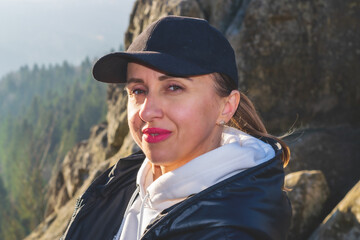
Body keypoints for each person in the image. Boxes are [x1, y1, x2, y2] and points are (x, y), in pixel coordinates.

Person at [61, 16, 291, 240]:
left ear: (226, 106)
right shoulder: (123, 181)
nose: (147, 111)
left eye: (173, 88)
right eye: (138, 91)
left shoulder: (230, 232)